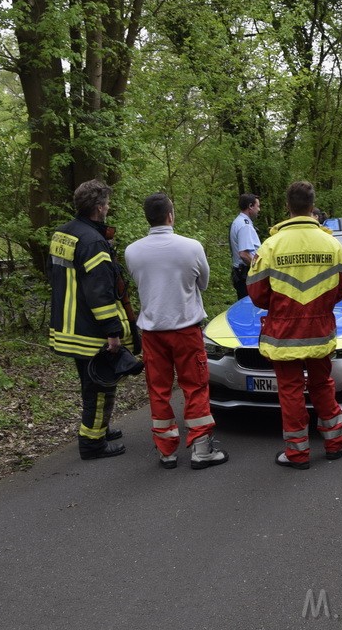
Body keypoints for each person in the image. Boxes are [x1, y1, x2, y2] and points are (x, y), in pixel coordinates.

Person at [247, 181, 342, 470]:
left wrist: (282, 307)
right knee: (322, 385)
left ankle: (297, 454)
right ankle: (335, 443)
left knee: (291, 391)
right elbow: (341, 290)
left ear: (287, 207)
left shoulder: (270, 246)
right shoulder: (332, 243)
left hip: (284, 333)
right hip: (319, 330)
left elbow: (256, 294)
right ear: (312, 205)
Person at [124, 193, 228, 470]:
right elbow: (202, 284)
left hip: (152, 332)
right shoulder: (191, 247)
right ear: (171, 215)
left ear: (148, 217)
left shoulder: (132, 251)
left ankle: (166, 450)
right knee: (194, 387)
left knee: (158, 390)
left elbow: (138, 282)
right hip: (185, 329)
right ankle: (202, 449)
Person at [48, 179, 134, 460]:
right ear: (99, 208)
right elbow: (100, 291)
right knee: (99, 386)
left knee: (89, 381)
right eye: (107, 204)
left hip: (68, 324)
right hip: (89, 328)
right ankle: (92, 443)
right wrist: (113, 331)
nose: (109, 208)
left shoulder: (63, 233)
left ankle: (100, 427)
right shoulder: (93, 241)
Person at [229, 193, 261, 300]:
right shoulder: (245, 225)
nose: (259, 210)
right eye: (258, 206)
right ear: (250, 206)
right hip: (246, 275)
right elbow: (244, 254)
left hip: (242, 275)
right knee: (249, 309)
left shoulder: (238, 222)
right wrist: (259, 270)